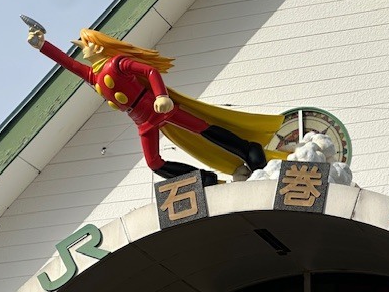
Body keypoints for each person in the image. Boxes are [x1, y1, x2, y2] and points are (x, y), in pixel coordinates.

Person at [27, 27, 286, 185]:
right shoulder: (94, 75)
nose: (82, 49)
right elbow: (68, 64)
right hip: (142, 121)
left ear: (98, 45)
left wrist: (162, 96)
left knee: (203, 129)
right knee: (154, 163)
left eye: (85, 44)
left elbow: (149, 71)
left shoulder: (117, 64)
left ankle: (248, 150)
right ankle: (205, 179)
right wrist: (42, 45)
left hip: (157, 107)